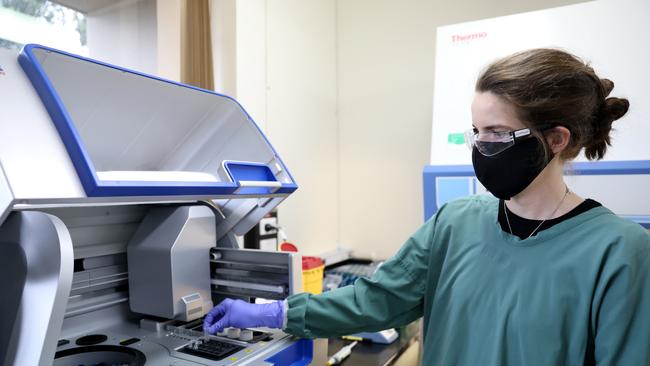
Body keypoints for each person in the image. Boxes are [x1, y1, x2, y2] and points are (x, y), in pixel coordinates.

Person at [203, 49, 650, 365]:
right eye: (476, 131)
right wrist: (276, 312)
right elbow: (378, 301)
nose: (480, 145)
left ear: (555, 139)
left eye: (496, 132)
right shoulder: (456, 223)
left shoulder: (619, 251)